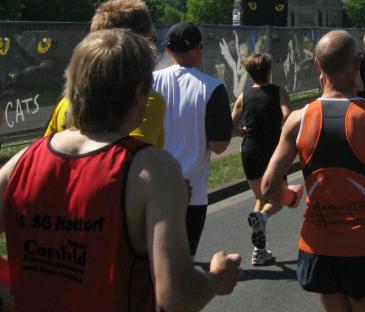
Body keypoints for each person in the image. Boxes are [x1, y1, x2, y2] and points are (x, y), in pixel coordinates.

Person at [0, 29, 240, 311]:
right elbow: (176, 296)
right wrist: (217, 279)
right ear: (139, 93)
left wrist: (15, 282)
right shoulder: (153, 170)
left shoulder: (23, 160)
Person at [262, 30, 365, 312]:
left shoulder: (298, 119)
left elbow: (268, 186)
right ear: (356, 64)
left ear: (318, 65)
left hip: (318, 249)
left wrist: (289, 197)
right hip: (364, 247)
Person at [152, 22, 233, 257]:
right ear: (200, 48)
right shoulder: (213, 88)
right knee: (182, 263)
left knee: (151, 261)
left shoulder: (148, 82)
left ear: (168, 50)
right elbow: (219, 146)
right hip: (192, 192)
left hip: (152, 186)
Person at [43, 0, 166, 148]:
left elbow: (46, 150)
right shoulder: (143, 101)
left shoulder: (66, 102)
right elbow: (133, 158)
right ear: (141, 46)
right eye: (153, 39)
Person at [230, 53, 291, 266]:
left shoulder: (243, 96)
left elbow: (230, 126)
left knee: (261, 198)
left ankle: (259, 250)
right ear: (269, 70)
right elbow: (287, 115)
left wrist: (241, 131)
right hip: (272, 151)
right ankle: (262, 217)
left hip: (250, 150)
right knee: (280, 198)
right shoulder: (279, 92)